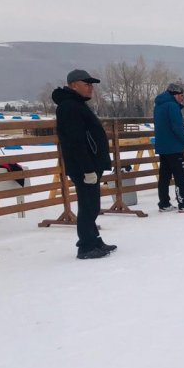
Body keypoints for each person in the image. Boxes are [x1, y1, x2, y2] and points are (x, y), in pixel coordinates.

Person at [53, 69, 114, 259]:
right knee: (87, 205)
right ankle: (86, 246)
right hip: (84, 166)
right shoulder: (69, 107)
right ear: (73, 85)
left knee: (92, 204)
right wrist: (87, 169)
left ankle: (93, 238)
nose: (91, 88)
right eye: (86, 84)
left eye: (91, 85)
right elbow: (76, 141)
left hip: (92, 163)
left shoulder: (77, 104)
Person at [152, 82, 184, 212]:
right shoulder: (173, 106)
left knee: (164, 176)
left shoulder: (158, 106)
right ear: (173, 94)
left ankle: (164, 203)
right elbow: (177, 126)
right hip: (174, 146)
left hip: (163, 146)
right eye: (180, 95)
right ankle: (183, 203)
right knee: (180, 176)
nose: (182, 98)